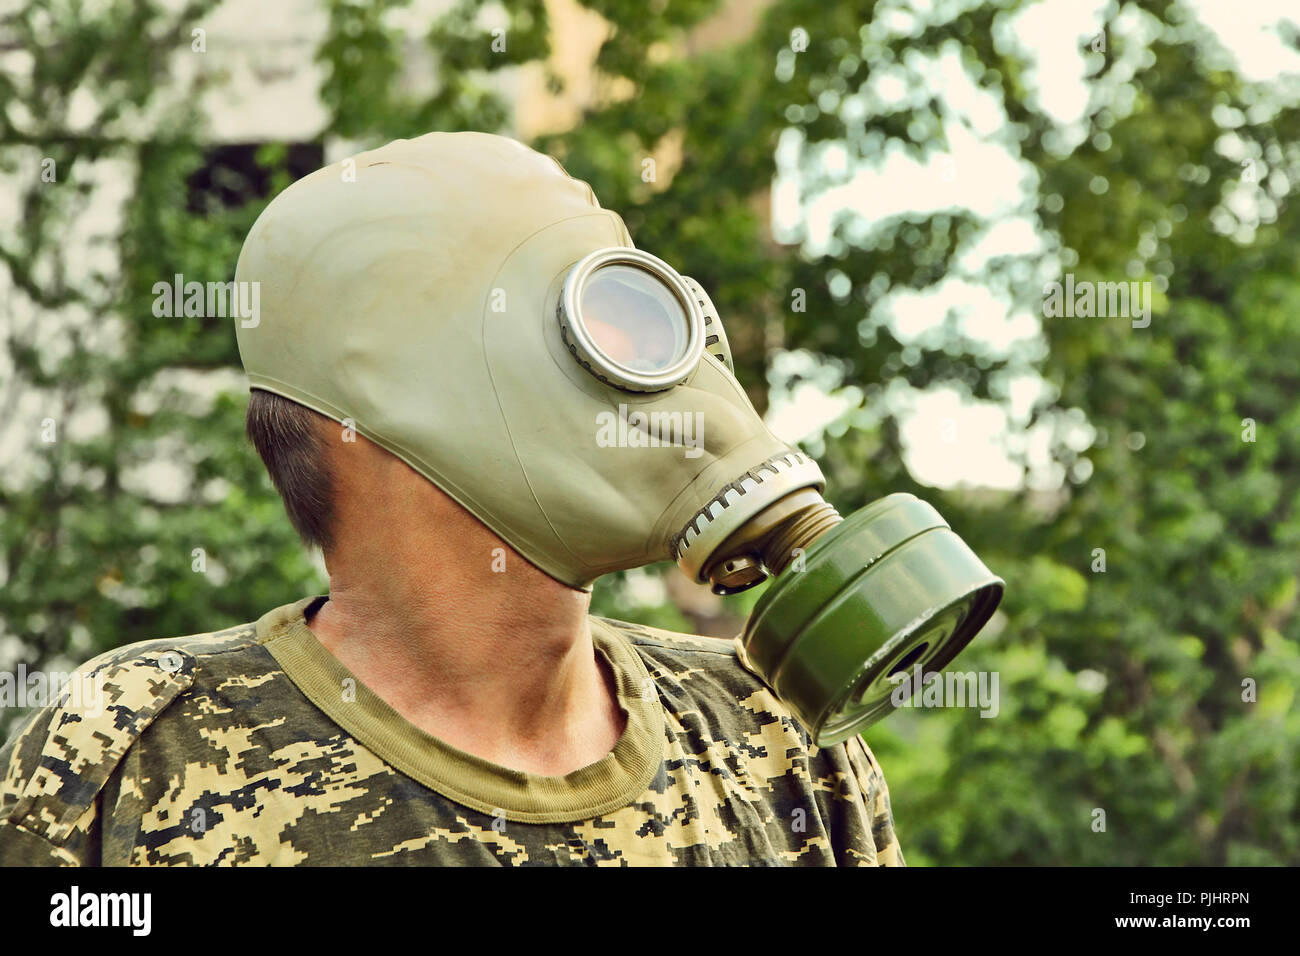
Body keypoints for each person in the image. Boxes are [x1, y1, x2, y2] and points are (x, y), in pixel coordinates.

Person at [0, 132, 903, 866]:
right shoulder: (133, 753)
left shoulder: (783, 746)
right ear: (394, 388)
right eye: (602, 323)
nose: (677, 377)